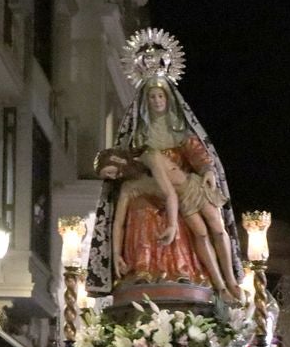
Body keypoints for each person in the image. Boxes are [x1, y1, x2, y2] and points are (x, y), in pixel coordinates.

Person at [88, 71, 243, 300]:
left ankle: (227, 281)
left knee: (216, 229)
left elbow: (197, 155)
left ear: (168, 98)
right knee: (182, 226)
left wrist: (207, 170)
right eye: (152, 97)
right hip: (169, 194)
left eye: (161, 96)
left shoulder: (178, 132)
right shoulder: (138, 140)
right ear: (145, 103)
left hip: (189, 187)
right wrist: (116, 254)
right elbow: (121, 216)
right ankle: (146, 271)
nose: (157, 101)